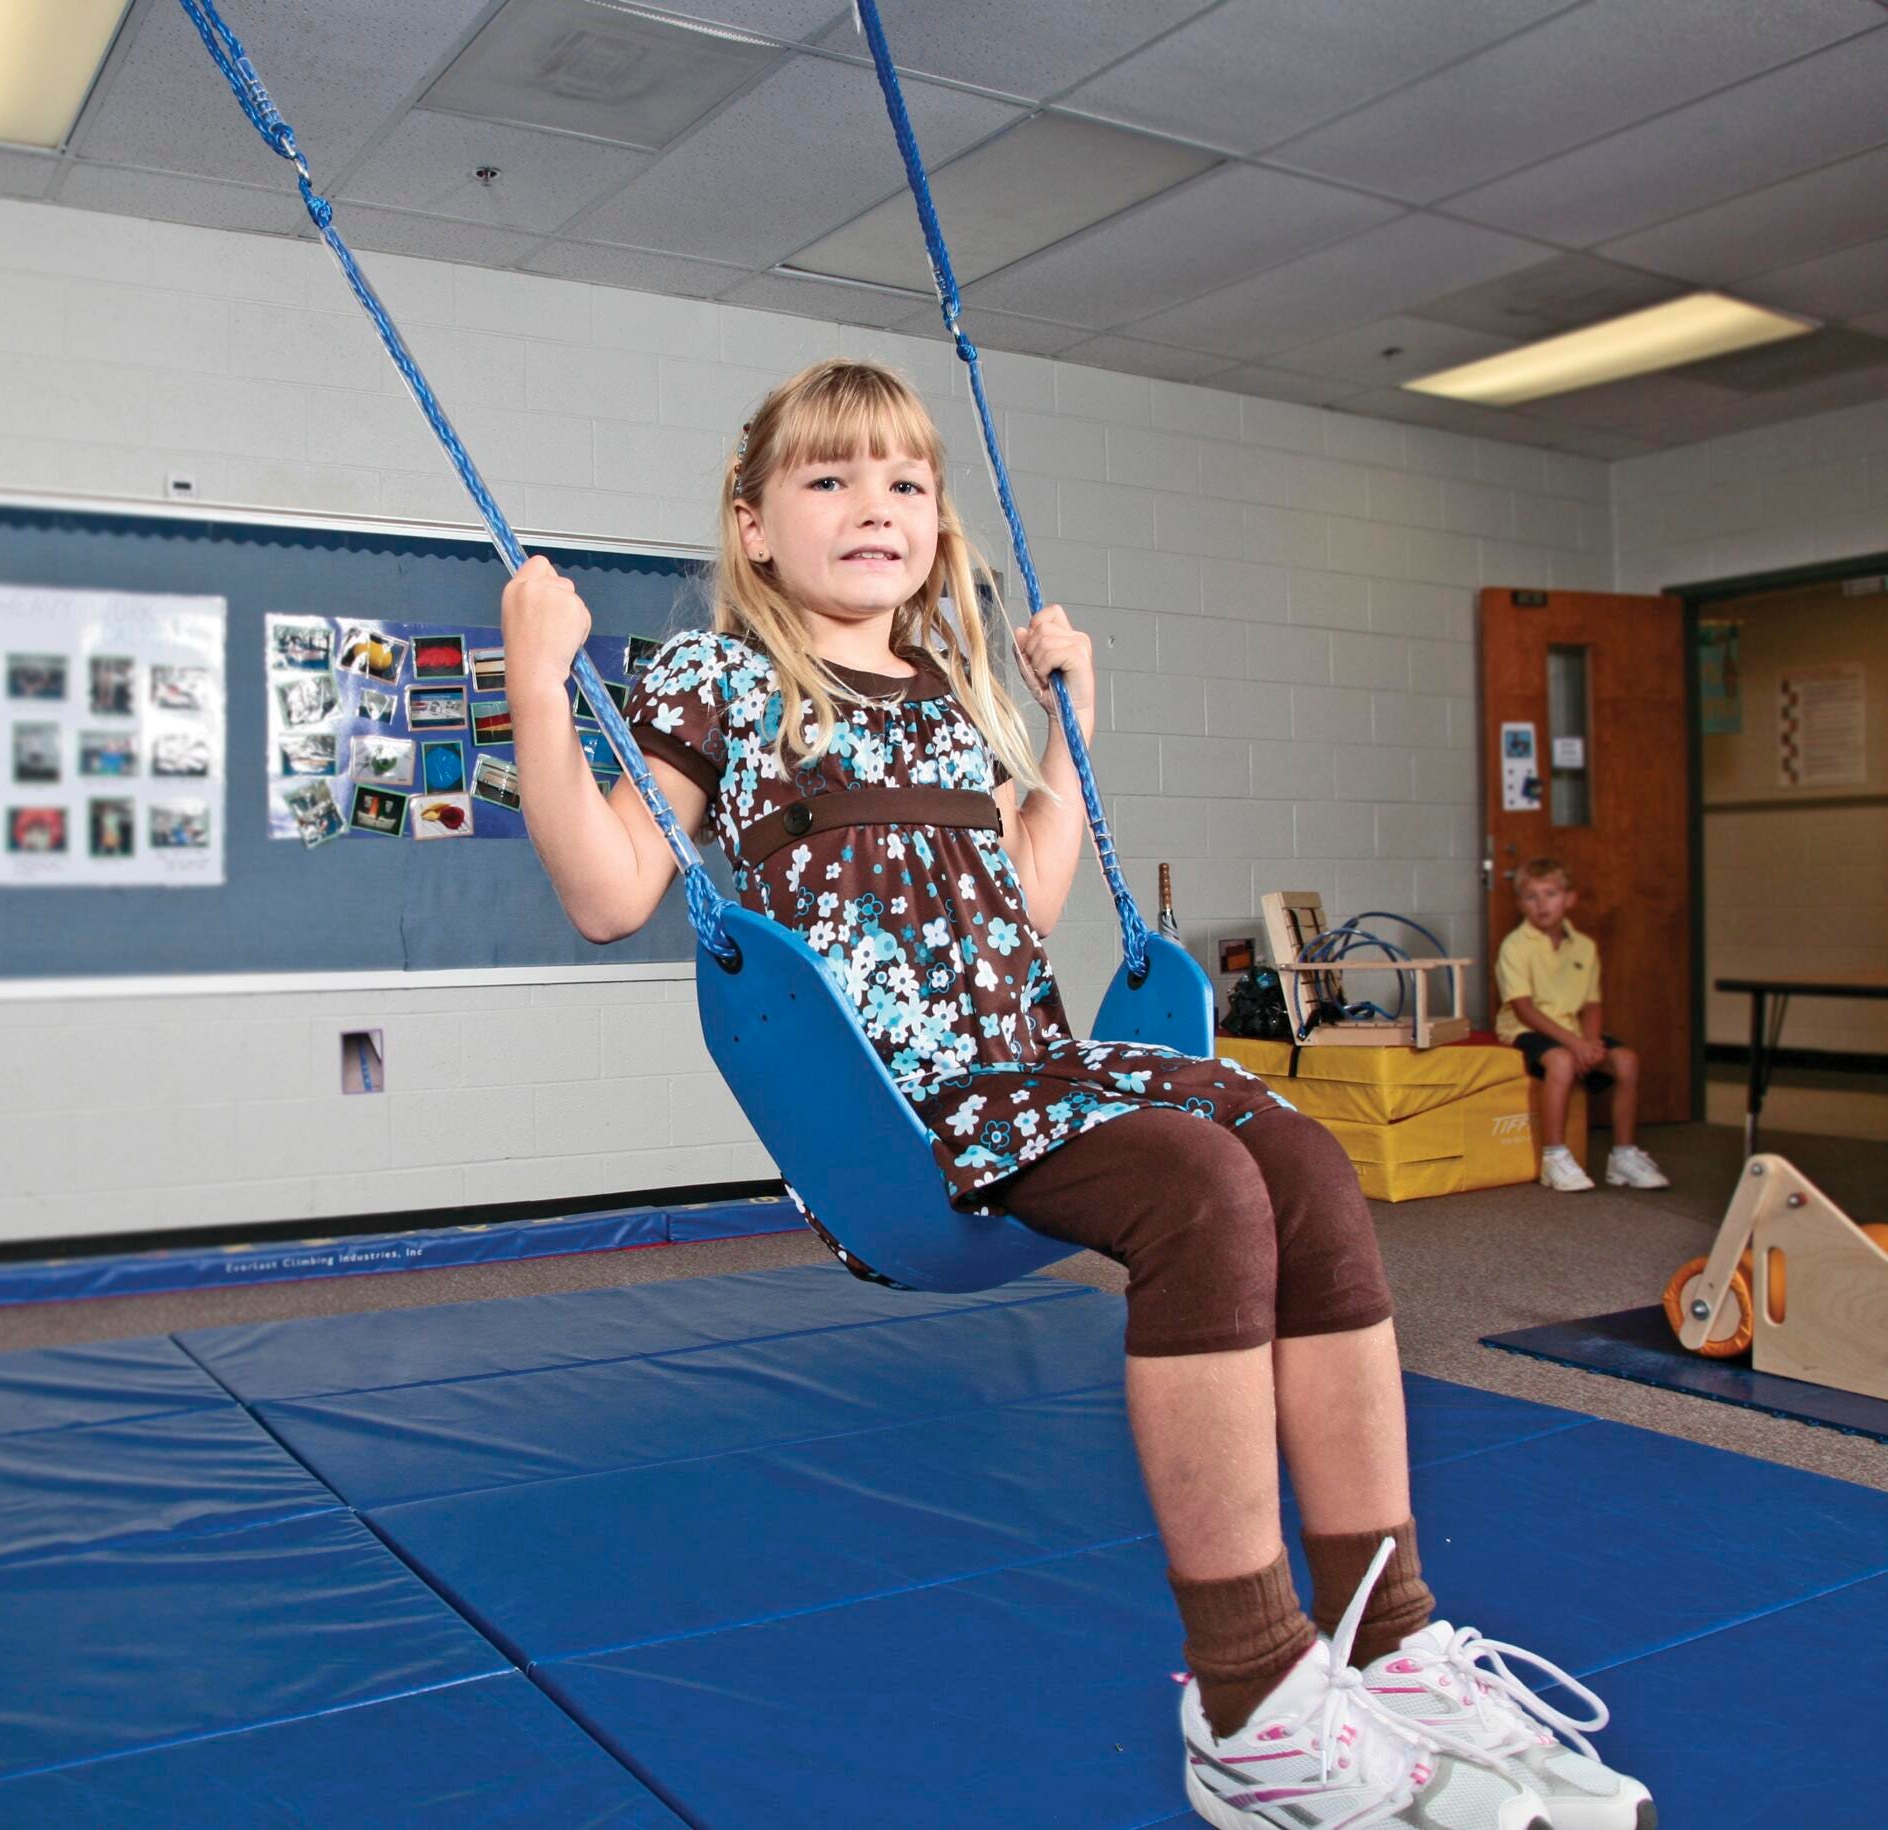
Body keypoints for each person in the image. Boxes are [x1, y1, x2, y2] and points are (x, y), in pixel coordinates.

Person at [504, 358, 1650, 1830]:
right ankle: (1252, 1703)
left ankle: (1392, 1638)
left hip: (1027, 1065)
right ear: (754, 528)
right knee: (1198, 1184)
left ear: (937, 521)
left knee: (1301, 1155)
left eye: (906, 481)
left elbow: (1024, 913)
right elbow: (609, 891)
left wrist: (1070, 731)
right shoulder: (718, 681)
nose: (875, 506)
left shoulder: (949, 692)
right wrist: (538, 678)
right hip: (898, 1113)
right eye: (830, 478)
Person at [1495, 860, 1668, 1194]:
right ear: (1520, 904)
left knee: (1627, 1060)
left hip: (1571, 1028)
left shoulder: (1584, 946)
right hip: (1524, 1029)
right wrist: (1575, 1046)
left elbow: (1591, 1004)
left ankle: (1623, 1155)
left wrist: (1590, 1041)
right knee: (1561, 1061)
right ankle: (1554, 1157)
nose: (1542, 904)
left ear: (1569, 899)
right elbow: (1524, 1009)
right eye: (1531, 896)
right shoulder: (1514, 946)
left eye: (1550, 894)